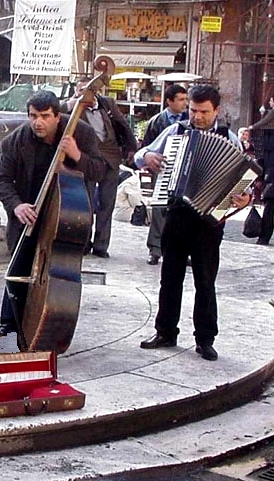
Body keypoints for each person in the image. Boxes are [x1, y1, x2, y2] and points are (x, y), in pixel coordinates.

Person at [135, 85, 250, 361]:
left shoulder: (229, 138)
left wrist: (242, 200)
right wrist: (148, 157)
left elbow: (243, 179)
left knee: (205, 280)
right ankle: (165, 331)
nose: (197, 117)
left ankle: (205, 338)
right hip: (176, 213)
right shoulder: (175, 132)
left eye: (203, 112)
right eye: (193, 110)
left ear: (217, 111)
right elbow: (141, 155)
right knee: (169, 277)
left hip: (209, 220)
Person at [0, 90, 103, 337]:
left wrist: (76, 156)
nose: (37, 122)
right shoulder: (16, 140)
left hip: (67, 214)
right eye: (33, 116)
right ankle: (10, 320)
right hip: (28, 213)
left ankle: (52, 320)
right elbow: (1, 180)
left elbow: (100, 171)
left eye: (44, 116)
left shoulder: (80, 132)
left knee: (58, 273)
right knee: (19, 266)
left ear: (57, 117)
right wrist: (17, 205)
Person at [61, 78, 138, 259]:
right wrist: (72, 103)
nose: (83, 93)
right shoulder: (74, 108)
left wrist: (131, 148)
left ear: (95, 90)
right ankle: (84, 242)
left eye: (86, 90)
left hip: (110, 158)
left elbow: (123, 125)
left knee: (106, 204)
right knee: (86, 203)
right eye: (80, 90)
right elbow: (54, 112)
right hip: (86, 160)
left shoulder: (107, 103)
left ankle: (101, 245)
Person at [142, 84, 189, 266]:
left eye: (186, 99)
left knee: (182, 210)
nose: (184, 103)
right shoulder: (157, 121)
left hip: (184, 172)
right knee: (159, 209)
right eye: (180, 99)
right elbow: (147, 147)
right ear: (169, 101)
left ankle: (181, 250)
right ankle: (155, 249)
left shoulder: (189, 119)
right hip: (163, 170)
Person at [250, 107, 274, 245]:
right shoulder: (262, 135)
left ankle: (264, 238)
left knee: (269, 209)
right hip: (270, 177)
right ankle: (264, 237)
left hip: (269, 177)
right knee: (269, 209)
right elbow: (259, 158)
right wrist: (258, 178)